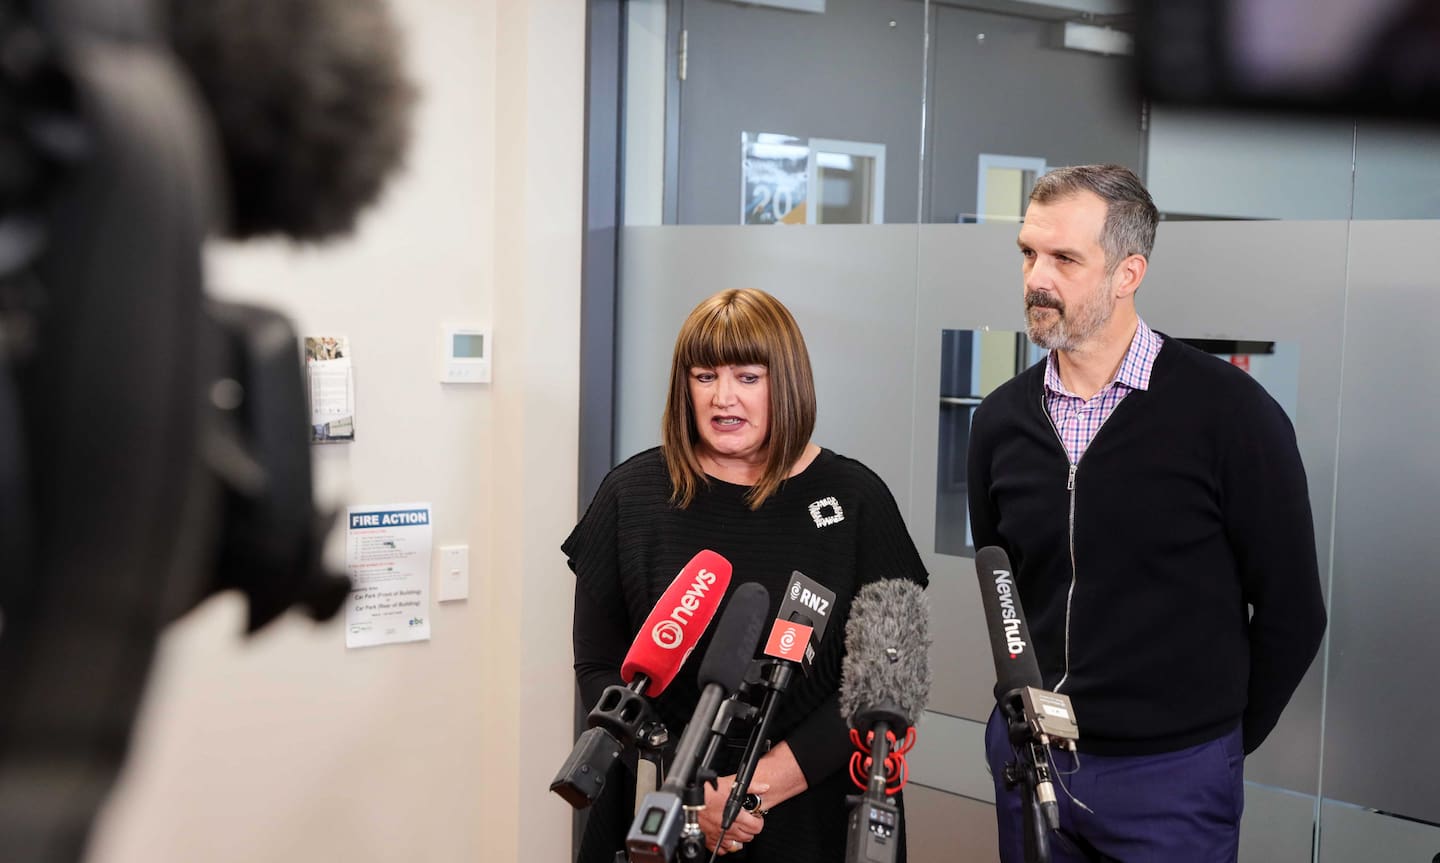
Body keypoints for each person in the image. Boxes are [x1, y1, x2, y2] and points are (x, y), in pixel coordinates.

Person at [966, 164, 1327, 862]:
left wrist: (1211, 739)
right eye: (1028, 253)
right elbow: (1004, 586)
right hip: (1031, 759)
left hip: (1172, 779)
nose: (1037, 277)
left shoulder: (1230, 415)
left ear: (1129, 272)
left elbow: (1294, 611)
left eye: (1065, 258)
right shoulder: (1001, 419)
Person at [563, 288, 928, 862]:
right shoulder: (629, 495)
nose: (723, 397)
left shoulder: (859, 500)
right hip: (665, 807)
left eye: (748, 376)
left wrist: (749, 793)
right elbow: (598, 663)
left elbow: (891, 683)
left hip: (814, 817)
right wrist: (685, 783)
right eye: (705, 376)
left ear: (786, 382)